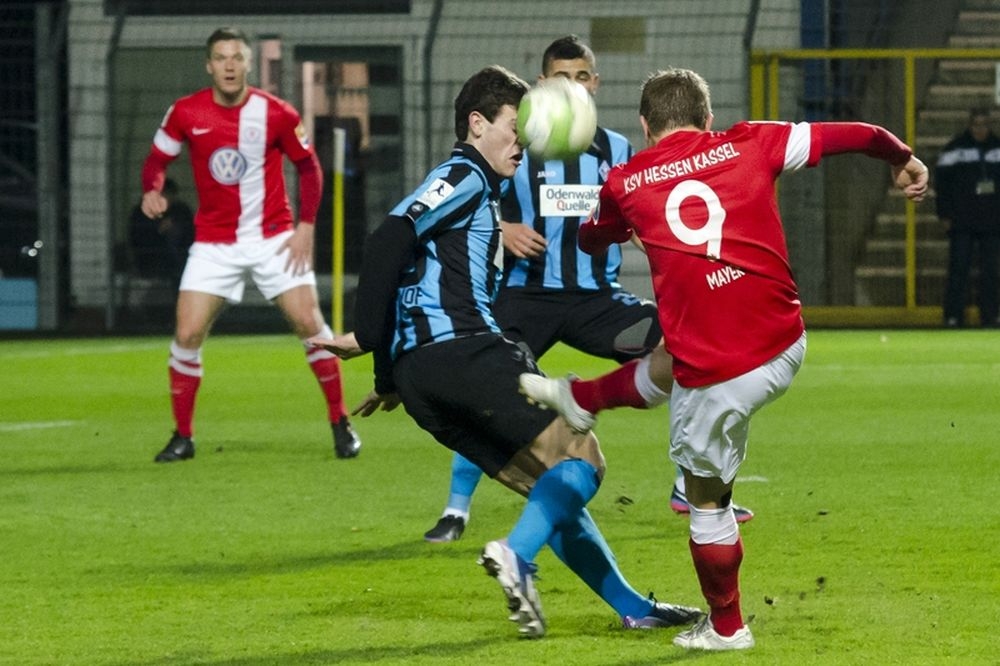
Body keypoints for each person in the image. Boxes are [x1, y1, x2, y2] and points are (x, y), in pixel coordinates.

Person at [520, 67, 928, 650]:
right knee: (672, 353)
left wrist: (621, 225)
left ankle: (727, 626)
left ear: (644, 126)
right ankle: (582, 398)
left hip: (719, 376)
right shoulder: (753, 141)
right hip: (784, 343)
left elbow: (589, 239)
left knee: (705, 500)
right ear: (708, 118)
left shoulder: (625, 182)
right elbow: (858, 133)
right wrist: (901, 157)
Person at [308, 64, 701, 637]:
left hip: (422, 381)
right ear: (477, 123)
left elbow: (410, 275)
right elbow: (389, 238)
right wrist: (369, 336)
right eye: (515, 128)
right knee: (583, 458)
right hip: (468, 351)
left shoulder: (480, 193)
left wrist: (389, 374)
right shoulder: (463, 174)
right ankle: (517, 556)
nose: (525, 142)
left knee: (550, 488)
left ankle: (633, 607)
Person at [422, 36, 751, 544]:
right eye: (560, 78)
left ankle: (688, 484)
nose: (572, 86)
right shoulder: (516, 144)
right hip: (526, 297)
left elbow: (642, 218)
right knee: (486, 386)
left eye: (581, 77)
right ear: (541, 86)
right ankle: (455, 509)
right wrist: (504, 228)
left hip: (598, 301)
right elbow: (469, 202)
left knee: (687, 349)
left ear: (594, 84)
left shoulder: (616, 151)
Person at [139, 27, 361, 462]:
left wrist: (306, 226)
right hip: (214, 243)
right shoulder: (185, 111)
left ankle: (341, 422)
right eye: (221, 58)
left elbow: (309, 167)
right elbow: (157, 160)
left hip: (273, 238)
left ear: (248, 63)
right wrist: (152, 188)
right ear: (209, 65)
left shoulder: (276, 113)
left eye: (236, 57)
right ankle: (183, 437)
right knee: (186, 333)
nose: (229, 65)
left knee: (311, 325)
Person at [934, 107, 1000, 328]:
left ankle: (991, 317)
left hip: (992, 221)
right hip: (962, 220)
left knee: (991, 272)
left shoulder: (997, 148)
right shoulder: (955, 150)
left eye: (984, 125)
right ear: (970, 125)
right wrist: (944, 214)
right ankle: (953, 317)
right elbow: (941, 185)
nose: (980, 129)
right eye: (976, 125)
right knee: (958, 270)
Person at [129, 177, 195, 289]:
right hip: (150, 260)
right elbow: (138, 240)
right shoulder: (141, 213)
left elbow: (191, 235)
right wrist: (158, 231)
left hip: (179, 261)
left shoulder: (181, 211)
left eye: (170, 195)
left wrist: (176, 229)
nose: (167, 199)